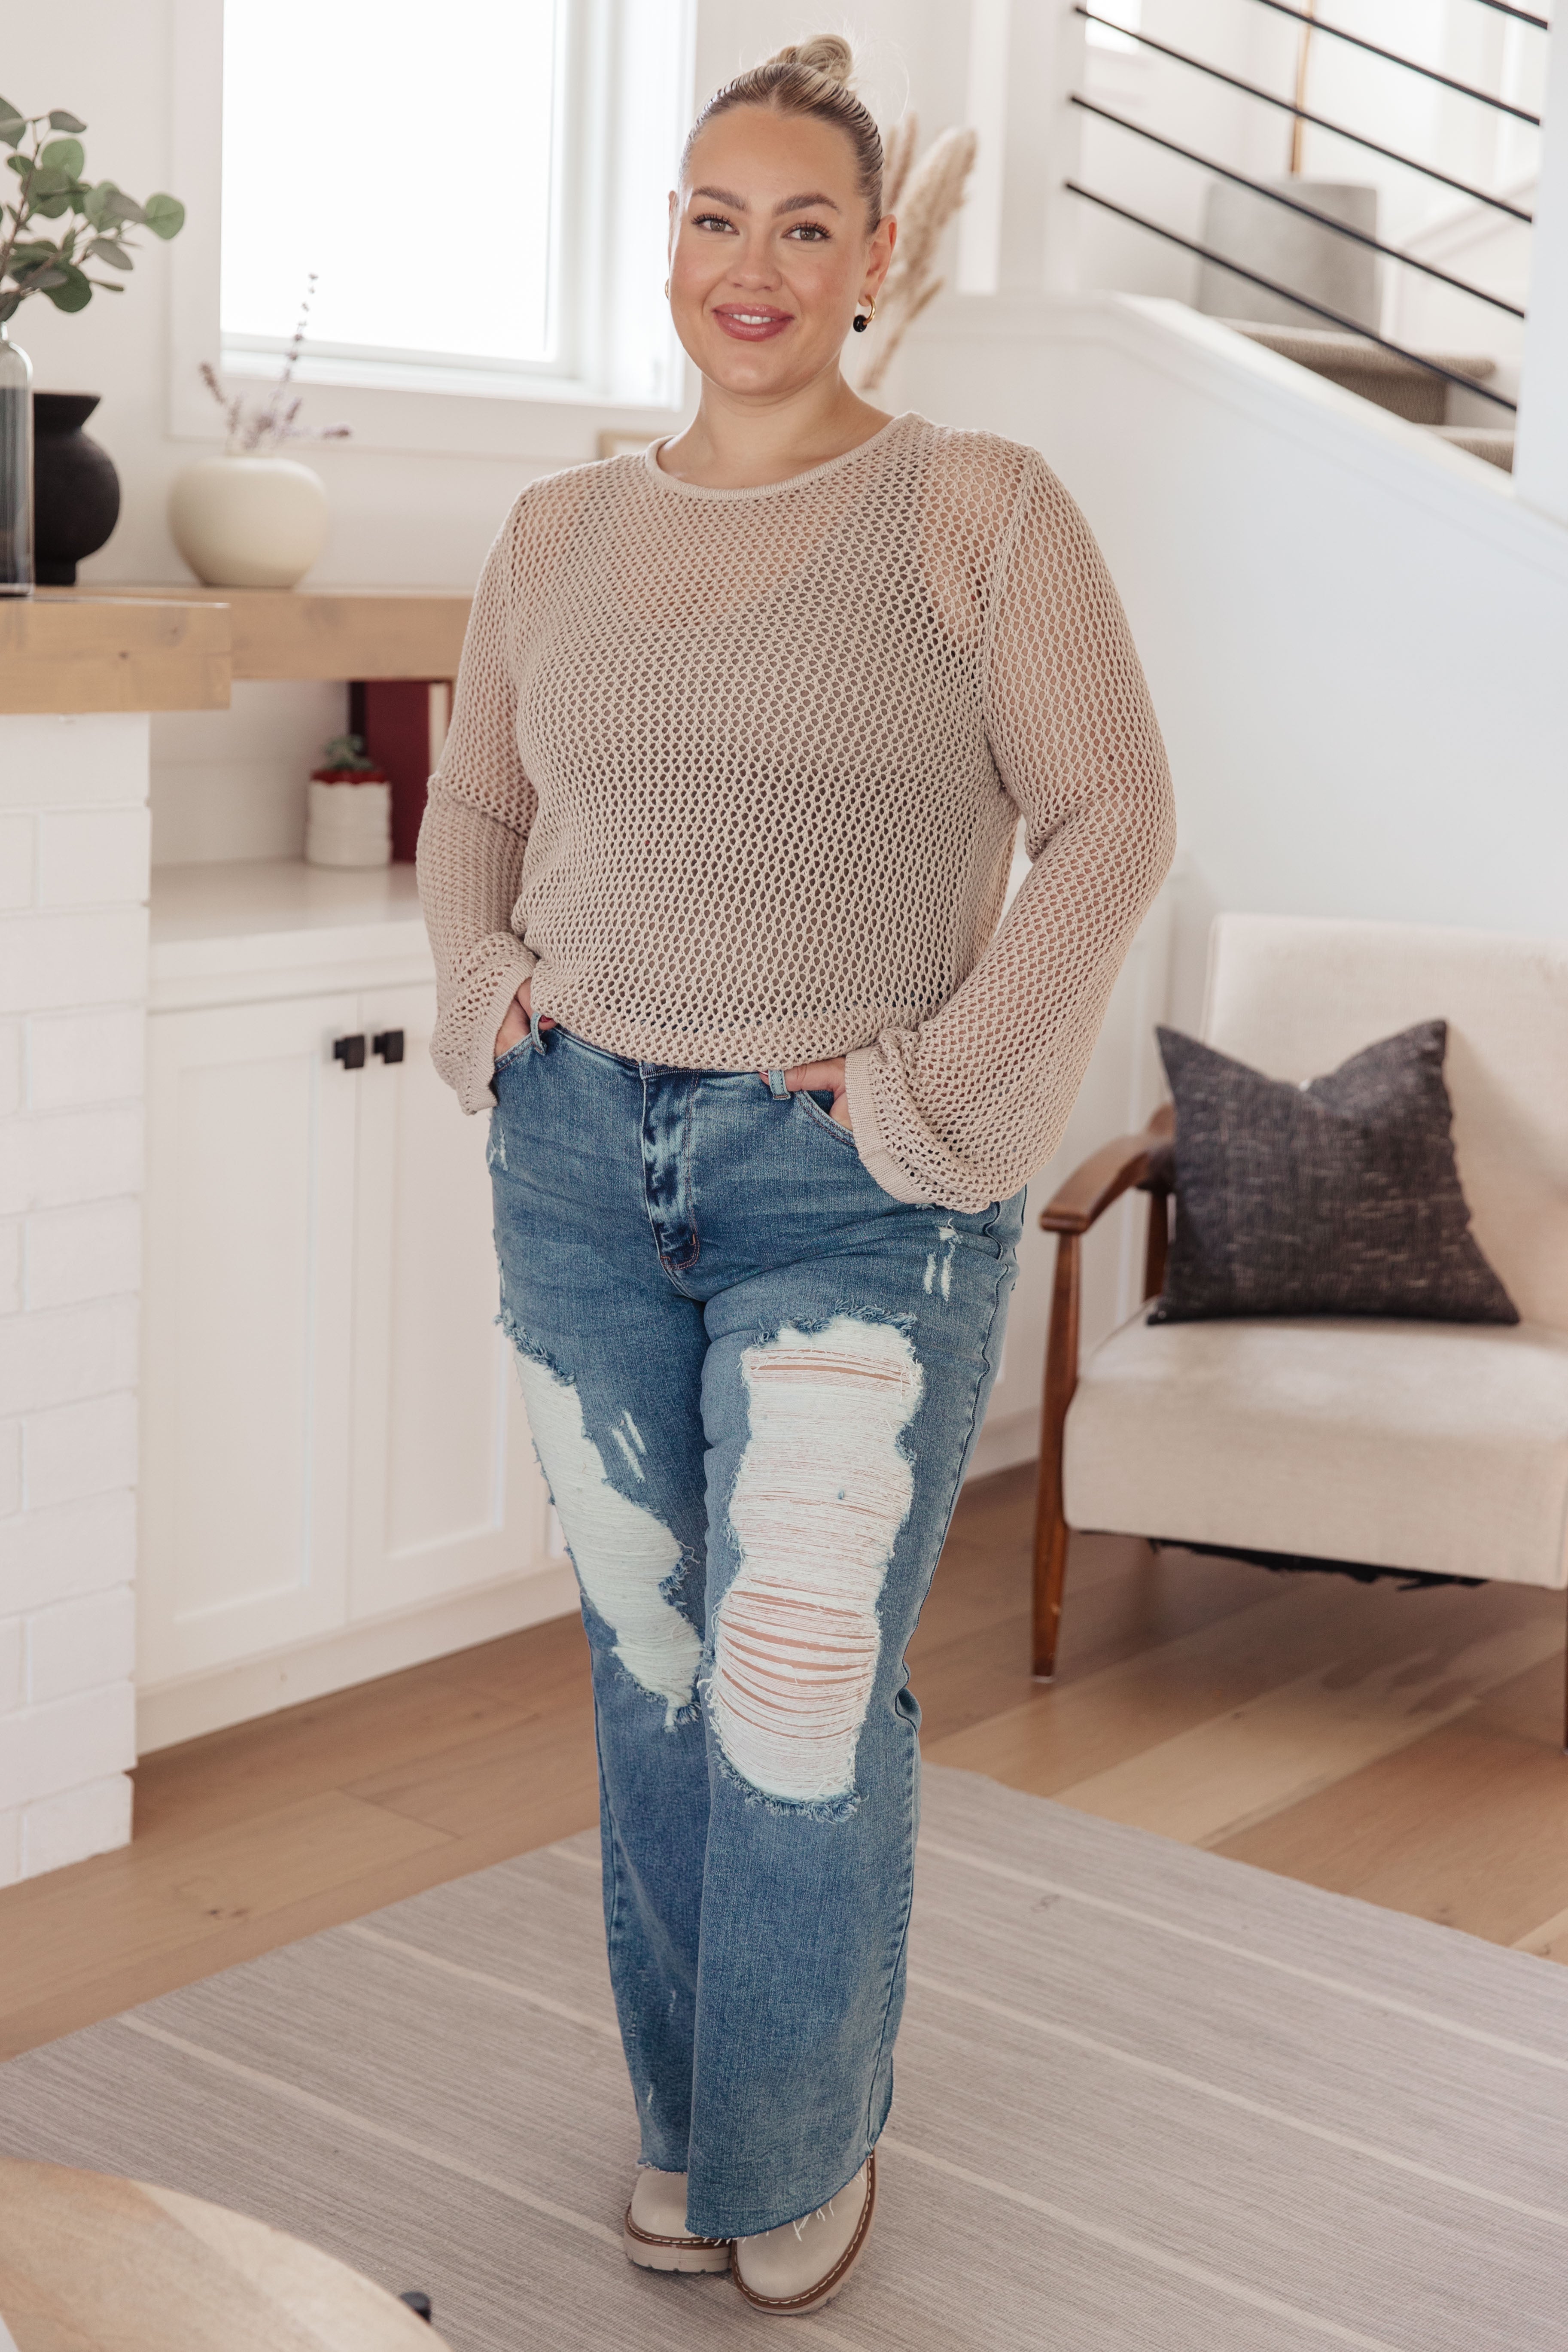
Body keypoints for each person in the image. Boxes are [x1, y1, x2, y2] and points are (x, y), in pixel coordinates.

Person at [417, 34, 1174, 2318]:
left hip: (848, 1183)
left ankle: (798, 2135)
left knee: (788, 1666)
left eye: (802, 226)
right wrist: (482, 1003)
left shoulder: (974, 505)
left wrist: (939, 1091)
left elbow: (1112, 813)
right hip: (578, 1154)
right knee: (650, 1664)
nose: (749, 266)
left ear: (869, 264)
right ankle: (697, 2125)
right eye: (709, 216)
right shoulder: (555, 529)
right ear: (666, 242)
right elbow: (477, 814)